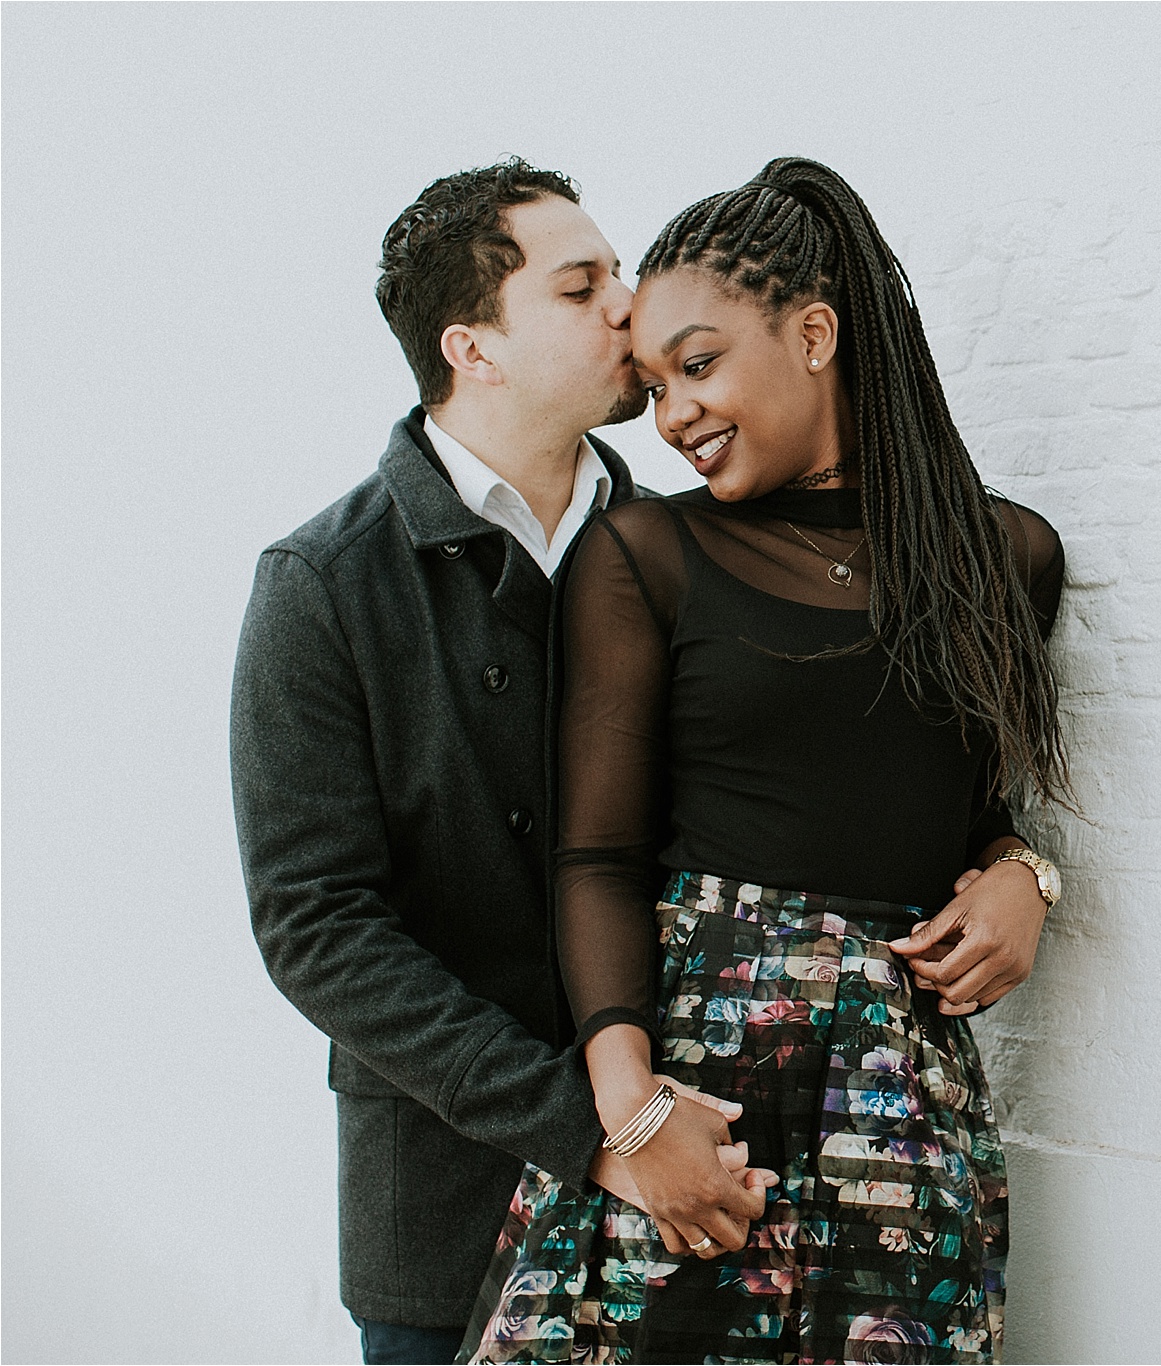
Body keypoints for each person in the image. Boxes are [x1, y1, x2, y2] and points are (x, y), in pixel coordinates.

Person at [458, 157, 1072, 1364]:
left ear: (812, 332)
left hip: (894, 1103)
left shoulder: (1007, 558)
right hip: (700, 1104)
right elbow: (596, 855)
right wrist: (631, 1113)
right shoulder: (645, 554)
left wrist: (1025, 876)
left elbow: (966, 814)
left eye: (697, 364)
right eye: (652, 386)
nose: (674, 413)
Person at [231, 158, 769, 1365]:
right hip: (445, 1207)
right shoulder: (321, 585)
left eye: (619, 273)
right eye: (583, 286)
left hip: (706, 1179)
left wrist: (1013, 857)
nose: (630, 306)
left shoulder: (695, 547)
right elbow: (316, 927)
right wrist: (591, 1128)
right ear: (472, 347)